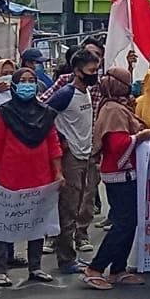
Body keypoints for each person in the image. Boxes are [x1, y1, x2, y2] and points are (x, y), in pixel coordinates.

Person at [0, 68, 68, 286]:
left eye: (31, 81)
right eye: (23, 81)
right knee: (2, 224)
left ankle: (36, 267)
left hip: (40, 177)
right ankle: (0, 269)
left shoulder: (46, 113)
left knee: (36, 222)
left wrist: (58, 172)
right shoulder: (4, 112)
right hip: (7, 177)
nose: (27, 85)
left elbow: (54, 145)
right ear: (14, 84)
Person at [87, 70, 150, 290]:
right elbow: (117, 144)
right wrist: (139, 137)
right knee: (123, 223)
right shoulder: (113, 110)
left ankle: (118, 268)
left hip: (126, 174)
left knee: (129, 222)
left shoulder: (118, 107)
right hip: (120, 175)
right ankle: (95, 267)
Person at [44, 48, 102, 275]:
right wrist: (59, 141)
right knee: (68, 208)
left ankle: (70, 254)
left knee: (78, 205)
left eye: (96, 69)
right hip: (71, 157)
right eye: (91, 70)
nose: (94, 74)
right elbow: (45, 114)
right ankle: (66, 258)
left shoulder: (86, 92)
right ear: (77, 72)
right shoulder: (66, 94)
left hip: (85, 154)